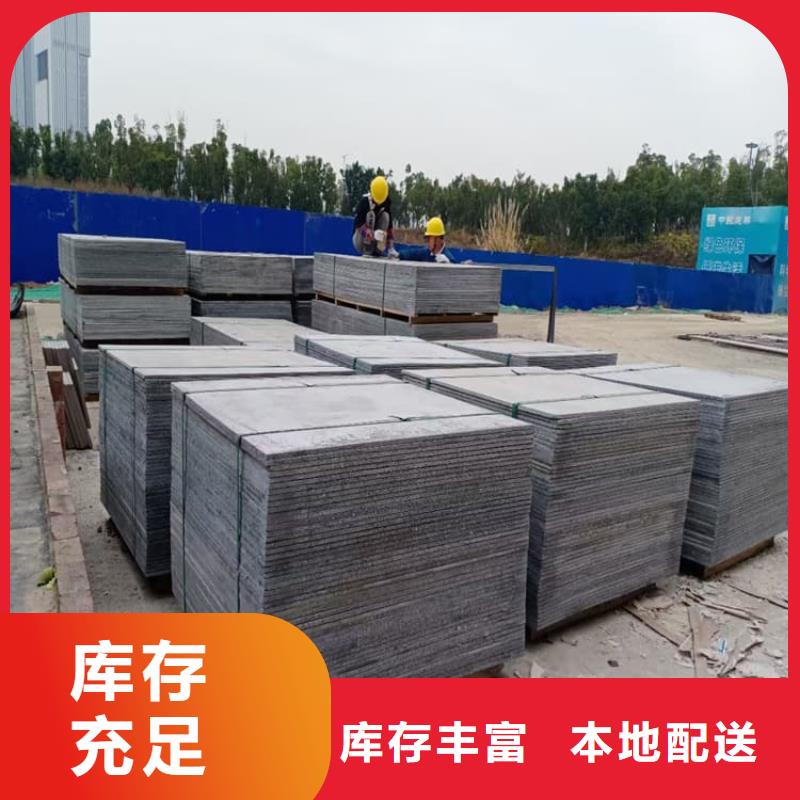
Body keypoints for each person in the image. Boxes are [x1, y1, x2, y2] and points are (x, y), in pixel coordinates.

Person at [352, 176, 397, 257]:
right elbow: (358, 225)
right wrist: (367, 232)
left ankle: (378, 250)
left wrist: (390, 246)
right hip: (360, 240)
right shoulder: (364, 203)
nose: (378, 204)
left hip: (374, 237)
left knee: (385, 216)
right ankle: (367, 249)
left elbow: (389, 226)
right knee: (370, 215)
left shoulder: (386, 202)